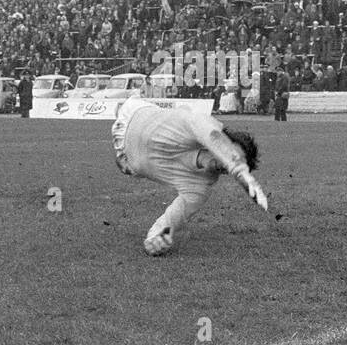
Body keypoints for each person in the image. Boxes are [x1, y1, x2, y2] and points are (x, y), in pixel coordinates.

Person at [111, 98, 268, 256]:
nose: (224, 165)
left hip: (125, 154)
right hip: (133, 113)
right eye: (226, 155)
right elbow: (211, 134)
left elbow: (173, 220)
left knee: (128, 167)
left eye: (227, 169)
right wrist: (239, 168)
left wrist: (158, 237)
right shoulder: (197, 122)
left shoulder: (199, 189)